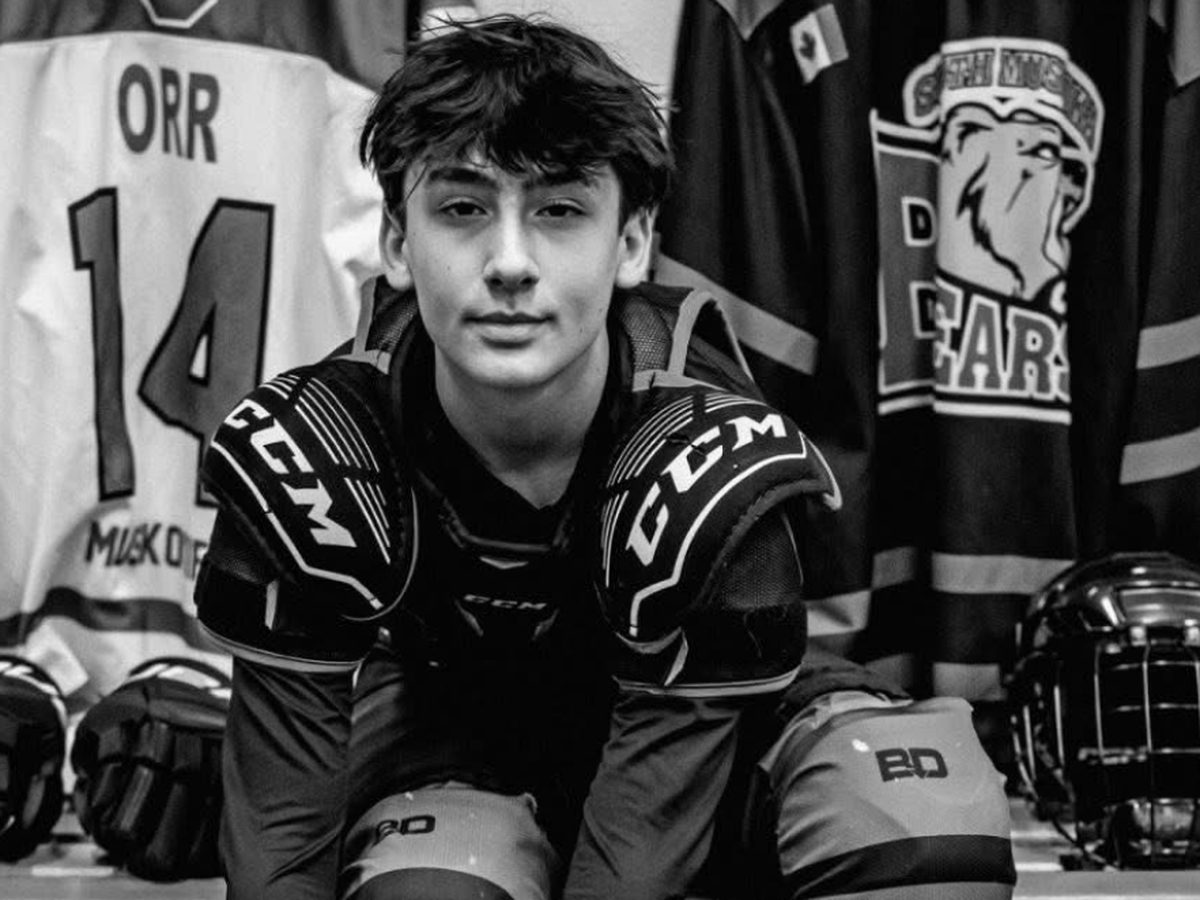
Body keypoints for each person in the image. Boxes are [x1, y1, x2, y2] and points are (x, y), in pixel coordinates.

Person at [191, 14, 1015, 899]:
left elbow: (641, 850)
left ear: (631, 244)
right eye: (463, 208)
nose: (510, 263)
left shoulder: (706, 455)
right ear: (396, 240)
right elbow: (281, 850)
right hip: (450, 734)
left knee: (916, 817)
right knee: (433, 889)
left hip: (696, 758)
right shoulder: (317, 454)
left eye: (559, 211)